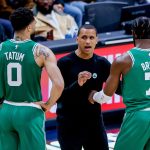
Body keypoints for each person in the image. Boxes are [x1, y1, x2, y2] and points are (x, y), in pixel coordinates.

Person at [0, 7, 64, 150]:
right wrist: (48, 105)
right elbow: (59, 84)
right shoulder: (41, 51)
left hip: (5, 110)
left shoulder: (1, 48)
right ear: (29, 27)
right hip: (29, 111)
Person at [89, 16, 150, 150]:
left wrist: (93, 95)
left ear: (133, 33)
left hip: (138, 116)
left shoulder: (124, 60)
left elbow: (106, 96)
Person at [56, 24, 121, 150]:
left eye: (91, 38)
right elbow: (58, 97)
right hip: (69, 124)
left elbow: (118, 88)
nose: (87, 41)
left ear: (96, 40)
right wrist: (77, 84)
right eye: (84, 37)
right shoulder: (64, 63)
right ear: (77, 39)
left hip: (94, 124)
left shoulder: (102, 63)